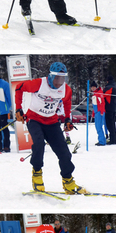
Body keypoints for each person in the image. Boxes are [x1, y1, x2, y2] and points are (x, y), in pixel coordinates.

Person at [15, 61, 87, 194]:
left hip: (52, 122)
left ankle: (68, 181)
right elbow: (19, 88)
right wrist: (18, 108)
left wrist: (67, 119)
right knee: (39, 144)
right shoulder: (38, 84)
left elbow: (66, 103)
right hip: (34, 119)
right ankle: (37, 175)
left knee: (64, 153)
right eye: (58, 78)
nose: (60, 82)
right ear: (51, 76)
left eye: (63, 78)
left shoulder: (66, 89)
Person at [103, 75, 116, 145]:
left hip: (108, 107)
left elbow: (103, 95)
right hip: (112, 107)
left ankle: (113, 140)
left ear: (107, 81)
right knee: (113, 123)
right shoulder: (115, 86)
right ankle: (114, 138)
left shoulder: (109, 87)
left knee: (110, 124)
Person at [90, 81, 106, 146]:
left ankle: (102, 141)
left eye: (94, 87)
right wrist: (93, 113)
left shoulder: (99, 93)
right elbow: (95, 104)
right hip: (97, 112)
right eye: (92, 87)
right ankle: (101, 139)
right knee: (97, 127)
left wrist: (101, 111)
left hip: (100, 112)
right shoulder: (95, 94)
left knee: (99, 126)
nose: (93, 88)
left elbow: (102, 103)